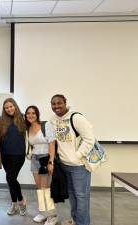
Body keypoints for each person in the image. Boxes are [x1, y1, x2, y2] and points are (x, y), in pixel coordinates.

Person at [50, 94, 95, 225]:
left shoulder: (76, 117)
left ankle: (83, 223)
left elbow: (89, 139)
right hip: (64, 165)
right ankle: (74, 219)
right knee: (73, 195)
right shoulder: (53, 120)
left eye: (59, 103)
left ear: (65, 103)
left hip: (79, 166)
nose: (56, 106)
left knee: (82, 196)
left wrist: (77, 156)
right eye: (53, 104)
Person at [25, 105, 58, 225]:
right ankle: (44, 212)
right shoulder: (28, 128)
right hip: (34, 158)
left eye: (33, 113)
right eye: (28, 113)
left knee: (46, 189)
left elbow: (52, 143)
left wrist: (51, 162)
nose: (30, 115)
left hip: (45, 158)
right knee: (40, 189)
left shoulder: (46, 125)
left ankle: (53, 215)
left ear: (38, 114)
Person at [0, 98, 27, 216]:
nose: (9, 109)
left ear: (15, 106)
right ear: (4, 109)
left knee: (10, 178)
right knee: (10, 178)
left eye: (11, 106)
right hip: (4, 153)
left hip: (18, 153)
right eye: (6, 108)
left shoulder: (23, 118)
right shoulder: (1, 120)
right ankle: (14, 204)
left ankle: (21, 201)